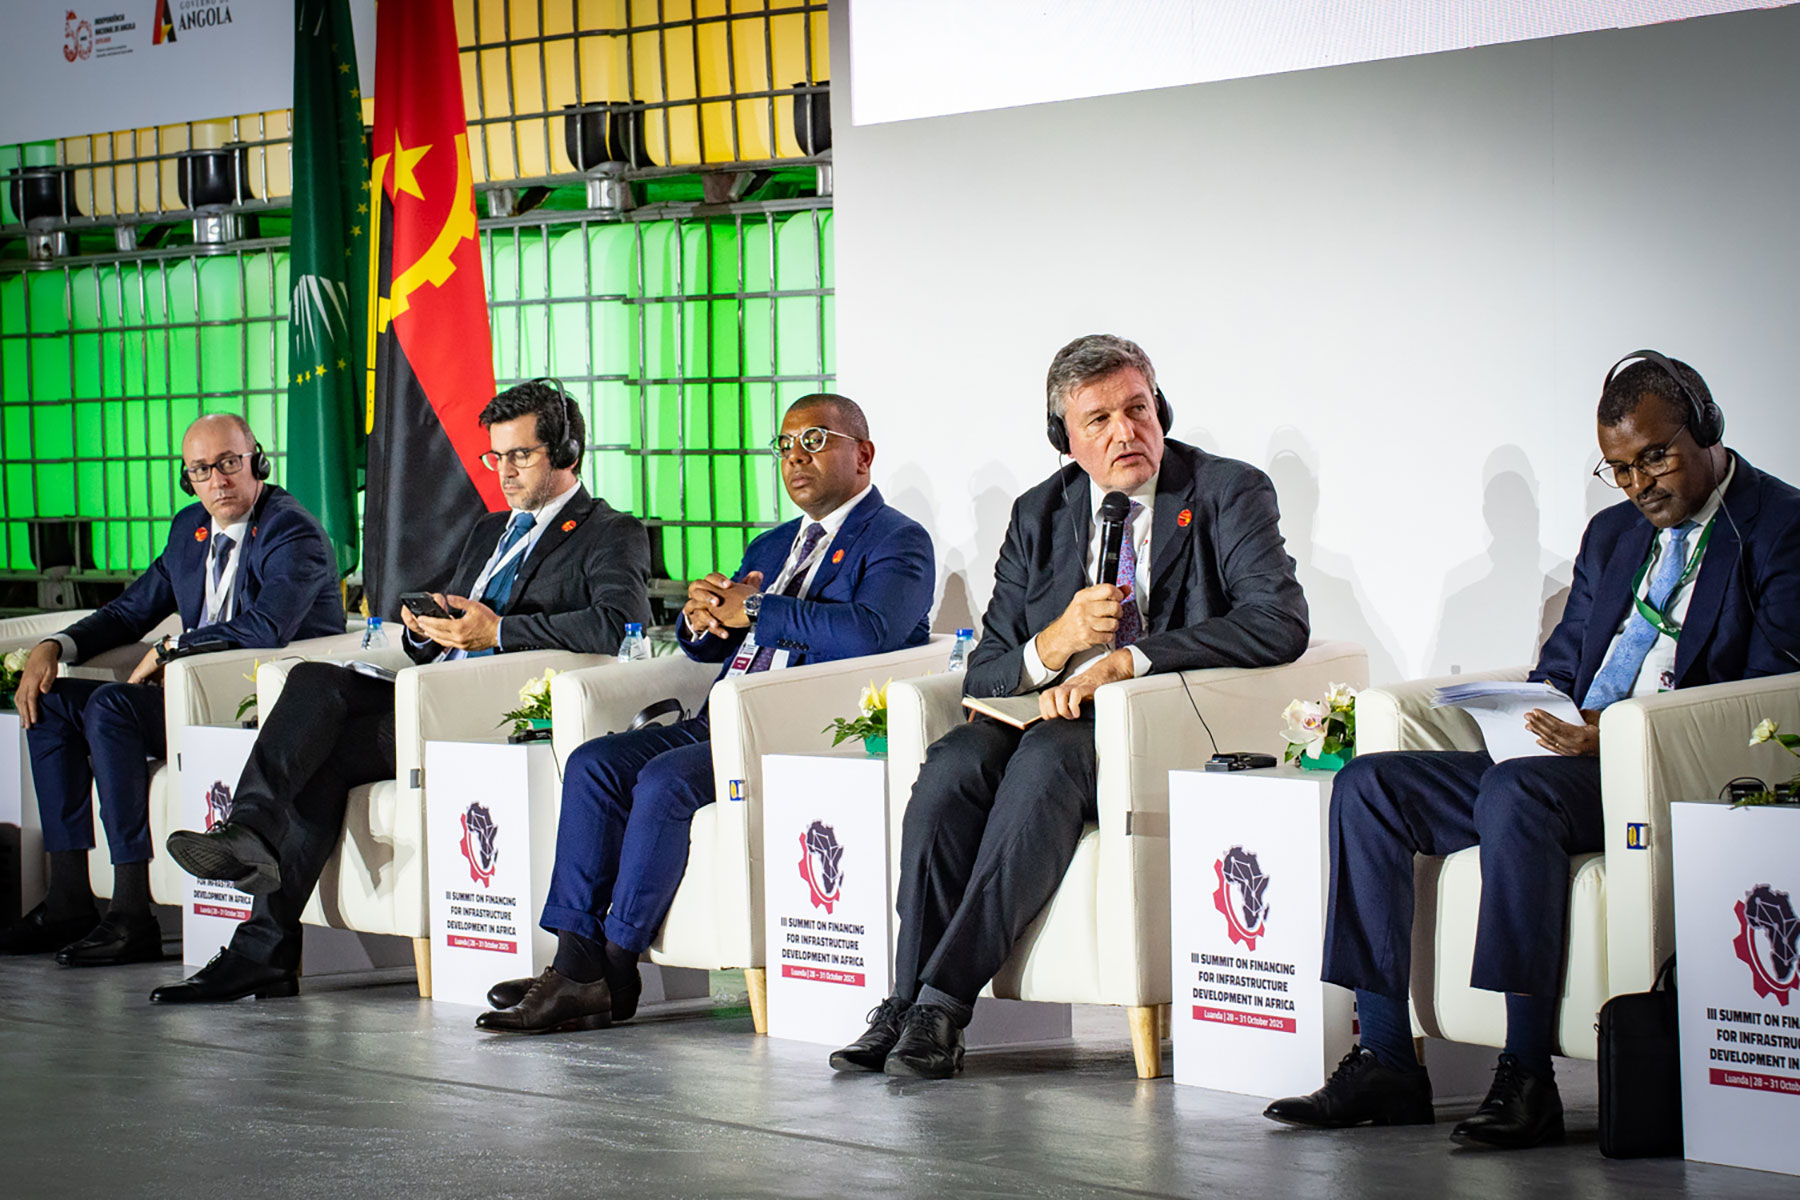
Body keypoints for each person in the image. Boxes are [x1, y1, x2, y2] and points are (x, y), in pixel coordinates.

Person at [1265, 351, 1800, 1149]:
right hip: (1571, 758)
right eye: (1619, 468)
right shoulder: (1615, 534)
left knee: (1517, 795)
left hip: (1661, 771)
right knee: (1371, 785)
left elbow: (1770, 686)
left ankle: (1526, 1076)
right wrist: (1526, 711)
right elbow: (1565, 662)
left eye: (1656, 456)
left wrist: (1611, 736)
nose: (1640, 484)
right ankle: (1383, 1056)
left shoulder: (1778, 526)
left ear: (1708, 428)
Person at [832, 334, 1311, 1078]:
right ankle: (901, 1000)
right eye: (1099, 420)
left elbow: (1277, 620)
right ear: (1066, 439)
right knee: (953, 766)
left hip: (1153, 715)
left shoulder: (1225, 491)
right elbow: (987, 671)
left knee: (1050, 756)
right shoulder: (1040, 514)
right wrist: (1053, 645)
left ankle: (941, 1004)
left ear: (1162, 409)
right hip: (1045, 706)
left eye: (1138, 409)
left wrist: (1130, 658)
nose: (1126, 432)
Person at [153, 380, 653, 1003]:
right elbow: (449, 620)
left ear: (567, 451)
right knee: (314, 701)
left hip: (486, 708)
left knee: (319, 731)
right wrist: (426, 626)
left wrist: (497, 630)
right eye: (495, 457)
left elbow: (618, 623)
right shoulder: (490, 530)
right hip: (426, 688)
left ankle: (259, 908)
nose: (504, 472)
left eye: (520, 455)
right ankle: (259, 918)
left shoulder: (610, 531)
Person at [475, 392, 935, 1034]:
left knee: (664, 782)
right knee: (594, 763)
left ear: (863, 455)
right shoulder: (773, 546)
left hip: (791, 730)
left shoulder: (898, 540)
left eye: (813, 442)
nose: (794, 457)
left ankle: (612, 962)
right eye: (784, 445)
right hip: (720, 716)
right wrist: (702, 621)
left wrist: (753, 609)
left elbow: (870, 632)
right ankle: (575, 958)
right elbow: (726, 636)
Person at [1, 414, 343, 966]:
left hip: (265, 702)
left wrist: (171, 650)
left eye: (230, 464)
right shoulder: (190, 530)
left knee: (111, 706)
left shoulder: (291, 530)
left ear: (257, 460)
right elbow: (130, 611)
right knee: (58, 702)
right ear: (188, 479)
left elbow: (267, 627)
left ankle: (132, 911)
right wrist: (56, 645)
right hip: (186, 695)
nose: (219, 481)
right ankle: (67, 897)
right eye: (202, 471)